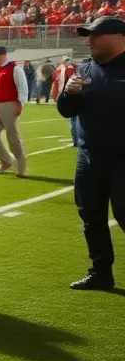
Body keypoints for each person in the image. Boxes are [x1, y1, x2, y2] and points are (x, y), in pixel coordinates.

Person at [57, 16, 125, 291]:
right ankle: (101, 273)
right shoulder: (83, 70)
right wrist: (68, 94)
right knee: (91, 217)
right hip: (89, 158)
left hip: (123, 159)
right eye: (89, 35)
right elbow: (66, 111)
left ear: (119, 37)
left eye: (97, 35)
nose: (91, 40)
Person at [0, 45, 30, 177]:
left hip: (9, 104)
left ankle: (21, 166)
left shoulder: (14, 69)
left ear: (4, 56)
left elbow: (22, 87)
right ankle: (6, 160)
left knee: (12, 136)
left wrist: (20, 103)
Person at [52, 55, 80, 147]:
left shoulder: (60, 69)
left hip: (65, 95)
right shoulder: (69, 68)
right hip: (71, 95)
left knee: (72, 120)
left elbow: (57, 82)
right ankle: (77, 140)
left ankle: (75, 140)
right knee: (75, 120)